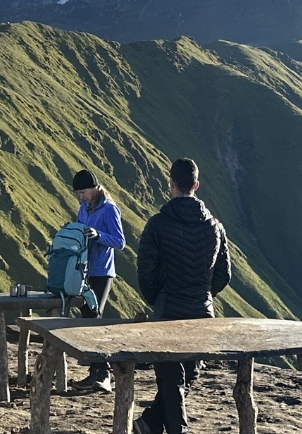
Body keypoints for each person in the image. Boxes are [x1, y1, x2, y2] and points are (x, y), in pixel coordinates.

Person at [133, 158, 232, 434]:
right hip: (202, 312)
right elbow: (224, 275)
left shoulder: (157, 224)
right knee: (186, 376)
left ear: (171, 184)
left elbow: (146, 272)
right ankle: (150, 424)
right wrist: (202, 293)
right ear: (196, 185)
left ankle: (156, 425)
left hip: (168, 312)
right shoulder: (214, 227)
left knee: (172, 379)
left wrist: (159, 300)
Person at [69, 168, 125, 393]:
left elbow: (120, 241)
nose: (81, 197)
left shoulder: (110, 210)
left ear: (94, 188)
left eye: (84, 192)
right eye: (79, 194)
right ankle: (95, 372)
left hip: (102, 271)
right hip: (84, 269)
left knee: (94, 317)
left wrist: (98, 235)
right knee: (87, 319)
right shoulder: (83, 208)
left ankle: (104, 374)